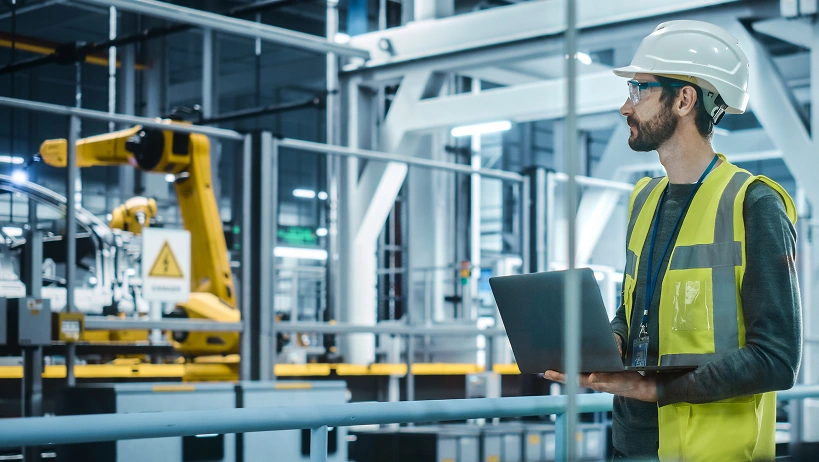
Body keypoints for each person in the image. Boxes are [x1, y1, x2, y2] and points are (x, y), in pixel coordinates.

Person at [544, 20, 802, 461]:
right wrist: (612, 345)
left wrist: (653, 388)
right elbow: (633, 310)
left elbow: (776, 358)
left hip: (713, 451)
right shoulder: (643, 200)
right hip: (632, 444)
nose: (626, 107)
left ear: (684, 99)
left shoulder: (753, 203)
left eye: (639, 89)